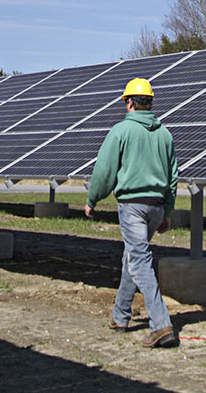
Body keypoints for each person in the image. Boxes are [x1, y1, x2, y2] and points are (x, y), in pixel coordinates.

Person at [84, 77, 179, 348]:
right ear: (149, 103)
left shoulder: (120, 131)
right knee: (133, 256)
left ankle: (161, 324)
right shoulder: (164, 134)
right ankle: (120, 315)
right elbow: (173, 176)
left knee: (139, 260)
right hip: (156, 207)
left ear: (129, 103)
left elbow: (104, 171)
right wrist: (167, 211)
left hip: (133, 207)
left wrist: (93, 199)